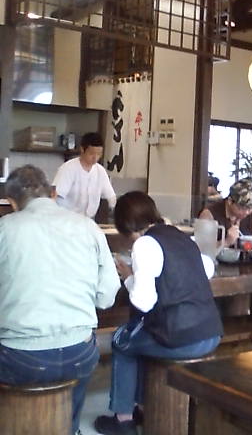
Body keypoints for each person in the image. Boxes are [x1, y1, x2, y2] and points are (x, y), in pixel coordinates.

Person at [0, 165, 121, 435]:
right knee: (72, 374)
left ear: (12, 202)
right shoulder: (87, 226)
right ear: (52, 194)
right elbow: (107, 295)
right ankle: (70, 428)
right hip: (80, 353)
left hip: (19, 357)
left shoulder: (4, 229)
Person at [94, 191, 223, 435]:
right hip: (211, 333)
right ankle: (141, 406)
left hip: (181, 337)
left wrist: (129, 277)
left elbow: (143, 302)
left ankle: (123, 420)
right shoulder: (181, 237)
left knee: (121, 340)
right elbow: (207, 269)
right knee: (139, 336)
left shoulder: (144, 244)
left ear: (125, 226)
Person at [53, 132, 117, 219]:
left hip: (89, 220)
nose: (95, 157)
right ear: (82, 150)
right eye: (92, 154)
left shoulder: (100, 171)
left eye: (99, 154)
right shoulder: (68, 168)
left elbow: (111, 197)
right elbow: (56, 196)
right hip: (67, 219)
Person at [199, 178, 252, 248]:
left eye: (250, 208)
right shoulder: (209, 214)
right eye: (242, 208)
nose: (247, 212)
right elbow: (203, 248)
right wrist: (227, 241)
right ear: (230, 201)